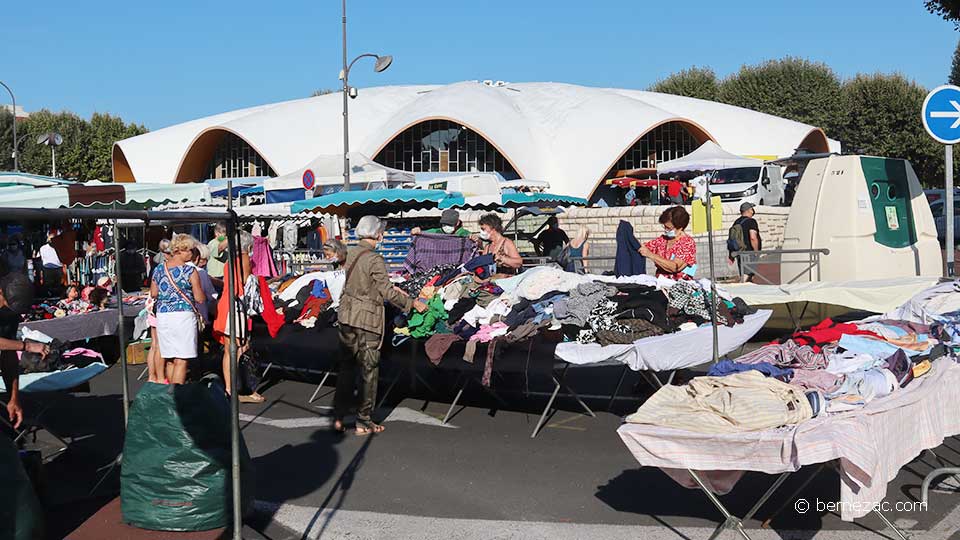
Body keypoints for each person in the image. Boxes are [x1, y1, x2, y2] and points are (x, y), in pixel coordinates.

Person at [333, 216, 426, 435]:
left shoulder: (349, 253)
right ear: (378, 234)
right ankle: (363, 421)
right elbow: (385, 292)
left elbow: (358, 281)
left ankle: (338, 417)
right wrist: (412, 303)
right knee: (368, 370)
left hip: (346, 315)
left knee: (346, 368)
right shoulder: (374, 259)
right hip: (367, 319)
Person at [213, 231, 264, 403]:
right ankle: (240, 388)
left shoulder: (229, 261)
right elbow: (245, 283)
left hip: (226, 305)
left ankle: (230, 388)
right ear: (248, 246)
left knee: (230, 350)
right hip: (236, 306)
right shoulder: (243, 259)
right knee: (240, 347)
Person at [150, 234, 205, 385]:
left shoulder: (159, 269)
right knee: (181, 359)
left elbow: (154, 293)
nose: (192, 254)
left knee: (170, 359)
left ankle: (170, 395)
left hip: (164, 316)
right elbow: (199, 298)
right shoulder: (190, 271)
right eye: (191, 250)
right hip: (183, 317)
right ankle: (176, 396)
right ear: (183, 250)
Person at [0, 280, 50, 430]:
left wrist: (13, 397)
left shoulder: (9, 314)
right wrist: (27, 346)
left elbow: (8, 356)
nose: (7, 310)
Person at [640, 206, 697, 280]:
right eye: (664, 227)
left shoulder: (687, 243)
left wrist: (651, 255)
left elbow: (675, 267)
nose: (666, 230)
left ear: (680, 228)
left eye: (669, 228)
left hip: (679, 285)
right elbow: (643, 247)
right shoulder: (662, 240)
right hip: (660, 284)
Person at [732, 202, 762, 282]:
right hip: (749, 252)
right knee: (747, 274)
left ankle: (748, 291)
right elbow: (753, 237)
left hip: (739, 251)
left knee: (746, 274)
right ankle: (739, 288)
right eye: (752, 209)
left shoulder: (736, 222)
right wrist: (756, 251)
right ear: (748, 210)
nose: (753, 211)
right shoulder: (751, 221)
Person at [39, 231, 65, 298]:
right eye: (50, 239)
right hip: (47, 269)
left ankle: (57, 297)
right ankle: (47, 297)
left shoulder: (60, 247)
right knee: (48, 286)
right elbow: (41, 259)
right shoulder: (43, 248)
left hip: (58, 268)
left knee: (58, 285)